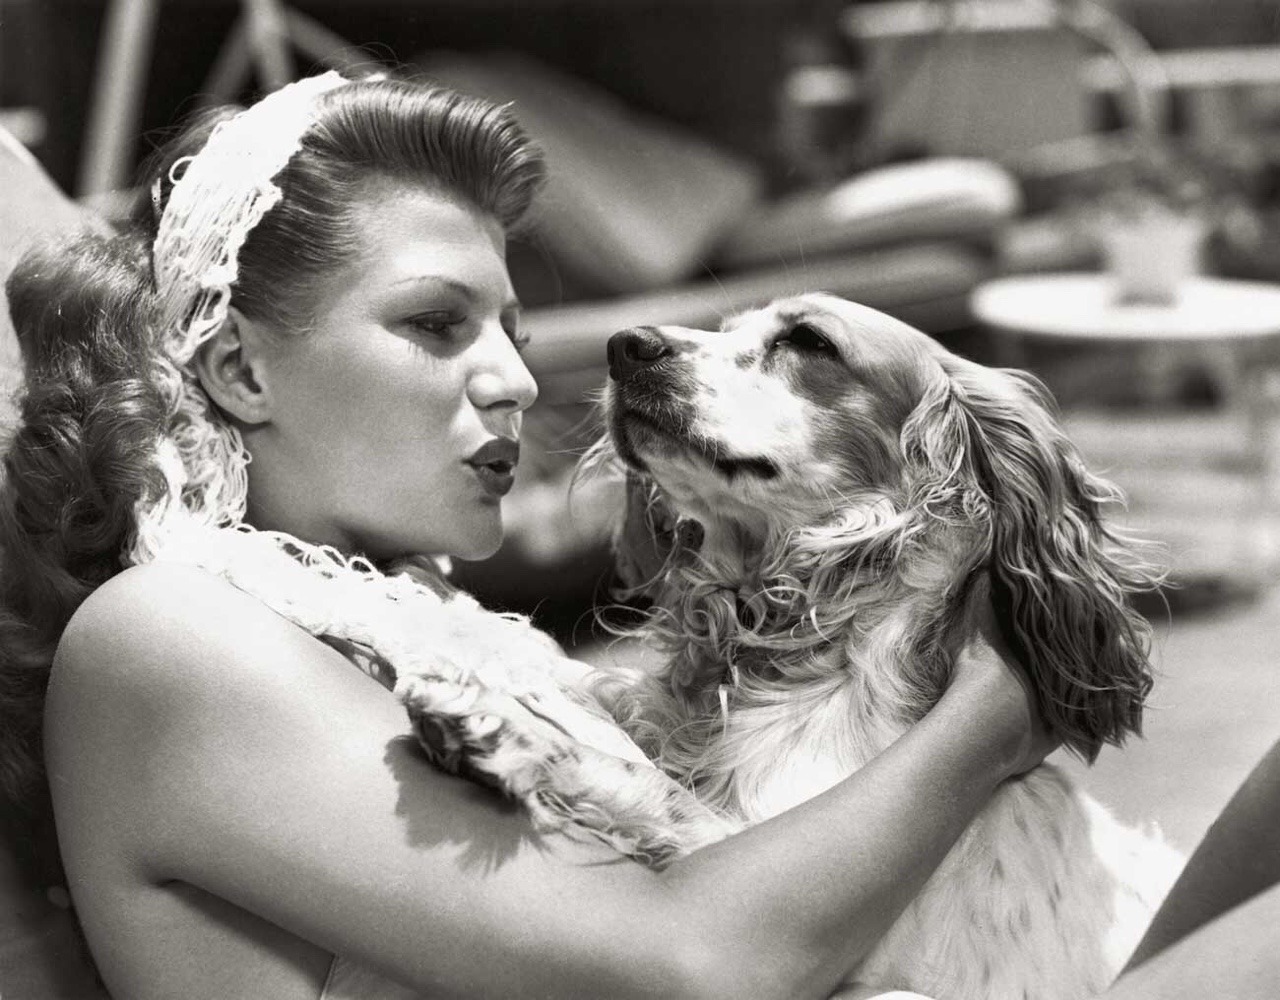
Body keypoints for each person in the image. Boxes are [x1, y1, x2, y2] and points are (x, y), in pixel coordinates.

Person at [0, 70, 1272, 1000]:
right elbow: (692, 962)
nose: (510, 376)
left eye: (508, 325)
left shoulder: (415, 622)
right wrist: (996, 710)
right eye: (435, 326)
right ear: (241, 370)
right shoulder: (168, 633)